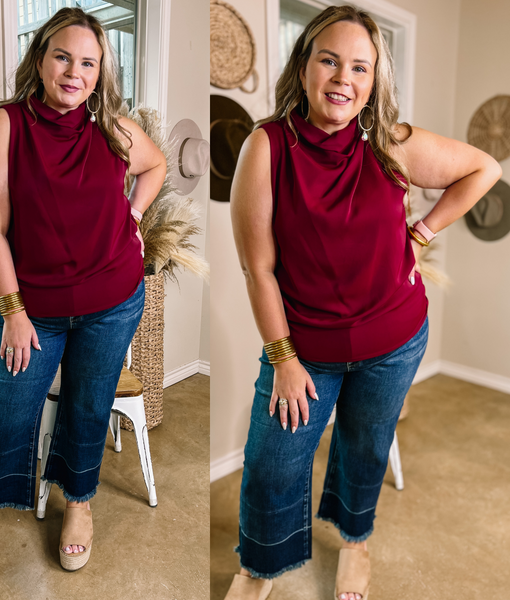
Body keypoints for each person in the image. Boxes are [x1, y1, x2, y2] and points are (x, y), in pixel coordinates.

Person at [227, 5, 501, 600]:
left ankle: (356, 544)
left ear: (374, 80)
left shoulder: (391, 144)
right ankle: (258, 567)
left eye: (360, 66)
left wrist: (422, 232)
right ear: (304, 67)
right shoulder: (266, 147)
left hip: (394, 341)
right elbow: (259, 268)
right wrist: (283, 358)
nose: (343, 79)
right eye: (329, 60)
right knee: (273, 461)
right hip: (306, 351)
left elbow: (484, 167)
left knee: (365, 450)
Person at [0, 7, 166, 592]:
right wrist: (12, 312)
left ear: (99, 73)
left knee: (89, 407)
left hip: (113, 301)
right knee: (4, 409)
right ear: (39, 58)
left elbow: (156, 164)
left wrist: (134, 214)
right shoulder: (6, 125)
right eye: (63, 56)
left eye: (88, 63)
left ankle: (79, 501)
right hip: (33, 309)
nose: (74, 72)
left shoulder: (113, 125)